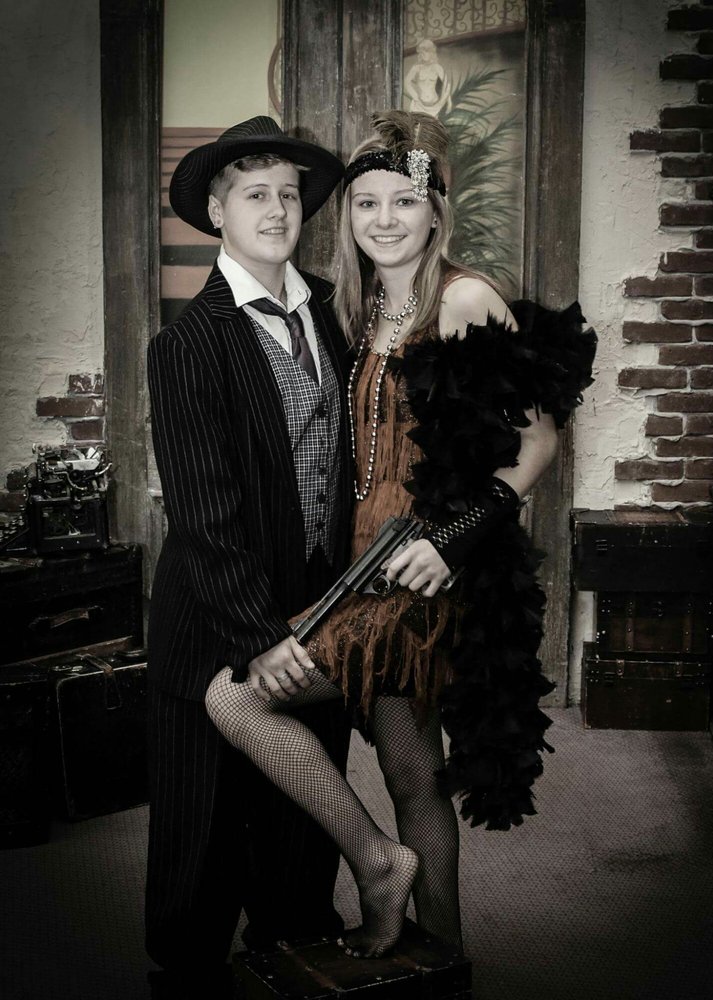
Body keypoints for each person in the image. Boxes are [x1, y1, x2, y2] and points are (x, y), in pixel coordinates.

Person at [205, 111, 596, 961]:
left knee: (235, 698)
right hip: (364, 567)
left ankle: (377, 861)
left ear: (436, 209)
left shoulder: (462, 299)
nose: (384, 220)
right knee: (413, 775)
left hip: (420, 576)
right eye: (366, 203)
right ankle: (444, 958)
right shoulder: (359, 304)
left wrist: (454, 540)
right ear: (346, 213)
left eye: (405, 202)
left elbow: (537, 440)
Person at [145, 116, 352, 999]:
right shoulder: (187, 344)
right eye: (255, 195)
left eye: (289, 194)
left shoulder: (329, 315)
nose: (277, 210)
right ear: (217, 212)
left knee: (300, 829)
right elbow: (203, 512)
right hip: (215, 623)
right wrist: (260, 636)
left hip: (318, 607)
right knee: (202, 840)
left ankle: (293, 947)